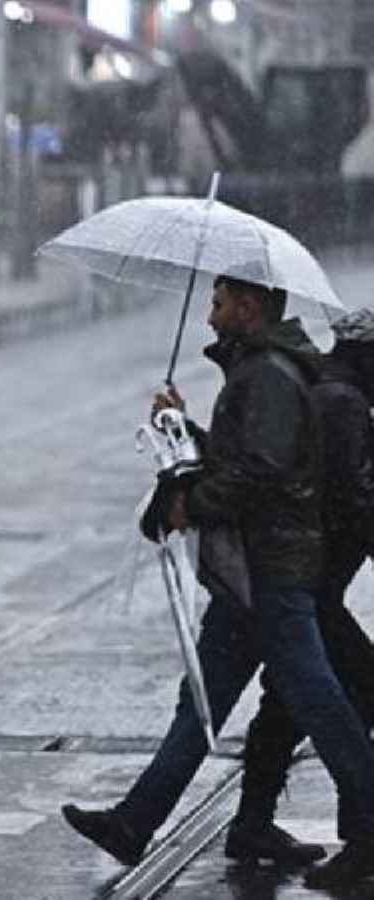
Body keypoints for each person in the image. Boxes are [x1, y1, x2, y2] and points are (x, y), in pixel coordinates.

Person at [61, 275, 374, 890]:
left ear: (249, 307)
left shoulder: (270, 375)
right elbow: (247, 458)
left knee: (320, 702)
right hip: (249, 574)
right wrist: (181, 428)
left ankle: (366, 820)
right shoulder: (260, 370)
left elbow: (262, 473)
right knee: (203, 701)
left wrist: (193, 503)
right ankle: (134, 821)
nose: (210, 316)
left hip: (272, 572)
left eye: (219, 303)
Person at [225, 307, 374, 864]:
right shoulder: (343, 402)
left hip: (301, 580)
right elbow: (350, 497)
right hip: (311, 584)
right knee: (357, 692)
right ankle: (362, 838)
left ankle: (252, 824)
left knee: (288, 700)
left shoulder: (328, 389)